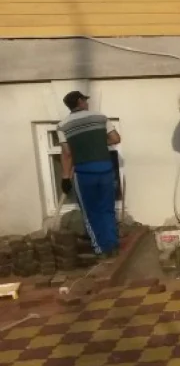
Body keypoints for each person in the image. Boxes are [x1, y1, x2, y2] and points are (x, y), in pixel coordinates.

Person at [58, 91, 122, 258]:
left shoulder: (63, 125)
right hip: (106, 170)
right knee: (107, 209)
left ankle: (101, 249)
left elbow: (67, 153)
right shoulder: (101, 117)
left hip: (84, 174)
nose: (87, 103)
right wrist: (98, 142)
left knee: (90, 213)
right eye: (85, 100)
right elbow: (116, 138)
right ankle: (113, 245)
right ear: (80, 101)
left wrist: (65, 177)